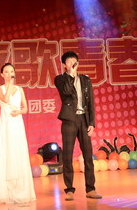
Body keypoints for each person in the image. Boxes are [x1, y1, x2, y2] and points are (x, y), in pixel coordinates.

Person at [54, 51, 102, 200]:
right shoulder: (60, 79)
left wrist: (92, 123)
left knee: (88, 155)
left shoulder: (86, 80)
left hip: (84, 120)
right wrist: (71, 75)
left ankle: (90, 189)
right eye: (69, 62)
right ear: (64, 65)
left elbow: (91, 102)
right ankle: (69, 190)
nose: (72, 63)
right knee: (67, 156)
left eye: (74, 61)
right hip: (69, 119)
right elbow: (67, 92)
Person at [0, 63, 36, 205]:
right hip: (6, 125)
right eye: (6, 72)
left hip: (17, 124)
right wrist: (10, 83)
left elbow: (25, 108)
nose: (9, 73)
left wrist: (19, 112)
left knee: (18, 153)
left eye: (11, 71)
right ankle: (6, 192)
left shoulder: (20, 89)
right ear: (2, 75)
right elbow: (6, 99)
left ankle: (21, 190)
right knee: (7, 153)